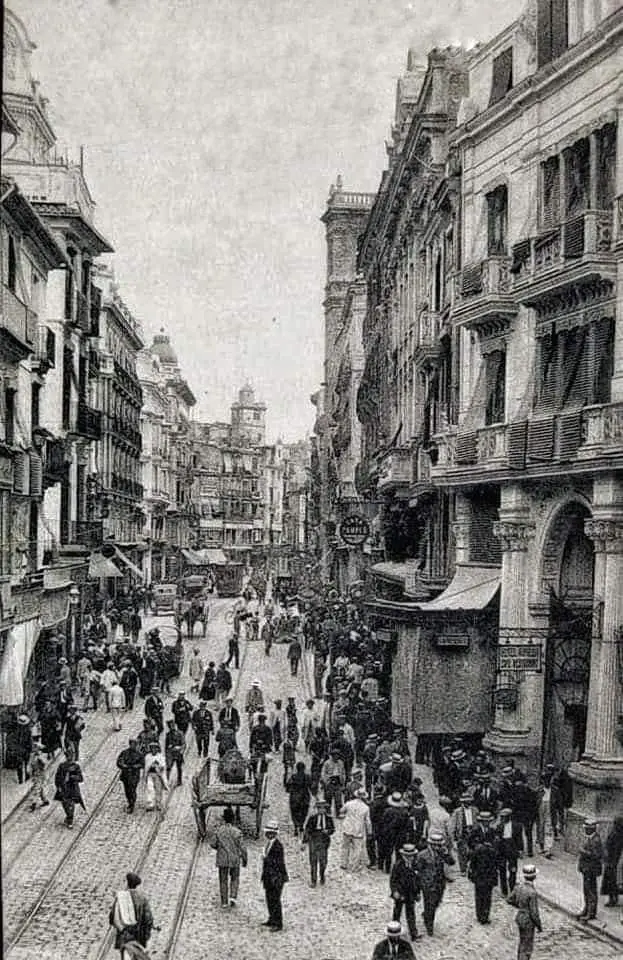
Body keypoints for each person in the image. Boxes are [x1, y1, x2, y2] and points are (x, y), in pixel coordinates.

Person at [415, 830, 453, 937]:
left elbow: (451, 862)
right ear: (430, 844)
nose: (437, 847)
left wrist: (446, 854)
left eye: (439, 845)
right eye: (435, 845)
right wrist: (419, 884)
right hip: (427, 884)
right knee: (430, 905)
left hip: (440, 883)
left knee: (436, 903)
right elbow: (418, 870)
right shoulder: (422, 855)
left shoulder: (442, 853)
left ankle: (426, 915)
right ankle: (429, 926)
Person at [109, 872, 154, 960]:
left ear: (128, 883)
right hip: (139, 937)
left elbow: (112, 918)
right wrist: (147, 936)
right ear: (137, 885)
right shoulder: (142, 898)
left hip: (125, 937)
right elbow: (148, 920)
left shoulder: (121, 898)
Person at [211, 806, 248, 908]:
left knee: (223, 880)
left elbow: (213, 844)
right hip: (234, 859)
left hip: (222, 859)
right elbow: (243, 848)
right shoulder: (237, 832)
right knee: (235, 878)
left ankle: (224, 902)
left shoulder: (219, 831)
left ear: (223, 819)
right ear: (233, 819)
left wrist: (220, 848)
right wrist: (245, 859)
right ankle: (233, 897)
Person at [468, 810, 498, 924]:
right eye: (484, 821)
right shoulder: (475, 831)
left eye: (488, 821)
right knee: (479, 892)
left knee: (488, 894)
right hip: (479, 866)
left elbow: (496, 847)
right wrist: (479, 847)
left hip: (490, 866)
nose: (486, 823)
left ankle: (486, 915)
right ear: (481, 821)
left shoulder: (492, 831)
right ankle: (480, 915)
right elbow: (470, 846)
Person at [507, 863, 542, 960]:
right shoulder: (532, 892)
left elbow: (509, 899)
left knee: (522, 941)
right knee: (527, 946)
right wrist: (539, 925)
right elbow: (534, 913)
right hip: (528, 921)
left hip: (520, 917)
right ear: (534, 877)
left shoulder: (518, 887)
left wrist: (519, 906)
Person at [390, 843, 422, 942]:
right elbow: (393, 880)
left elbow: (418, 880)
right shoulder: (398, 865)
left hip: (411, 893)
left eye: (412, 856)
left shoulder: (416, 865)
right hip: (400, 893)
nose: (410, 858)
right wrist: (395, 891)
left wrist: (417, 893)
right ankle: (394, 933)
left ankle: (414, 934)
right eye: (408, 856)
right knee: (397, 913)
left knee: (411, 913)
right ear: (403, 855)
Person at [260, 820, 289, 932]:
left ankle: (278, 923)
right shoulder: (270, 843)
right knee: (269, 899)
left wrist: (265, 858)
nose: (267, 834)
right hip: (269, 877)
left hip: (276, 877)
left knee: (275, 900)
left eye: (268, 832)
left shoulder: (278, 846)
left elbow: (278, 862)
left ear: (273, 833)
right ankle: (272, 919)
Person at [302, 798, 334, 887]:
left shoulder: (329, 819)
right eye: (319, 808)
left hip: (324, 841)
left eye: (323, 808)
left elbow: (333, 829)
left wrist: (328, 831)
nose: (321, 810)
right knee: (313, 860)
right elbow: (307, 830)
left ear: (325, 809)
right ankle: (313, 880)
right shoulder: (312, 818)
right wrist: (304, 842)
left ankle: (322, 875)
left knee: (323, 861)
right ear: (317, 809)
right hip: (313, 839)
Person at [577, 819, 603, 921]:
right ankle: (586, 908)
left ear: (591, 829)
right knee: (586, 889)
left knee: (591, 890)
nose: (585, 830)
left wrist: (584, 852)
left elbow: (597, 855)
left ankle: (591, 912)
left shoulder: (596, 840)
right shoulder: (588, 838)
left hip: (591, 869)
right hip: (586, 868)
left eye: (587, 829)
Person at [340, 787, 372, 872]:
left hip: (347, 827)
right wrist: (369, 832)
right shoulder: (366, 807)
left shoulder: (349, 803)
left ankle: (344, 863)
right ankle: (354, 866)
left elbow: (341, 811)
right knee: (357, 849)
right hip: (358, 830)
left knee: (345, 847)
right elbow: (368, 821)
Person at [54, 745, 85, 828]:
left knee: (71, 804)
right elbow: (57, 777)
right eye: (69, 756)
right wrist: (58, 786)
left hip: (72, 788)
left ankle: (70, 820)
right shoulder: (62, 766)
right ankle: (68, 816)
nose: (70, 758)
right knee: (65, 804)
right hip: (64, 788)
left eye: (71, 756)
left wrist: (72, 777)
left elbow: (81, 778)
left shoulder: (76, 767)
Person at [495, 807, 523, 897]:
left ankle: (512, 890)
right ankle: (504, 891)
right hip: (502, 851)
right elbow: (497, 840)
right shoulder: (499, 826)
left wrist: (520, 850)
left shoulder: (517, 826)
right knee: (502, 871)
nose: (503, 819)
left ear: (509, 817)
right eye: (502, 817)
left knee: (513, 871)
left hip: (512, 850)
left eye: (504, 817)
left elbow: (519, 839)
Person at [449, 792, 478, 874]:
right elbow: (453, 826)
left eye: (468, 801)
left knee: (473, 851)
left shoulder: (475, 810)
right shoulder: (457, 812)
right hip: (463, 833)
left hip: (473, 833)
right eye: (465, 801)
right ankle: (463, 869)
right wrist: (453, 840)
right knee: (462, 852)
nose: (467, 803)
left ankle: (472, 867)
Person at [117, 739, 144, 814]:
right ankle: (129, 801)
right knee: (127, 791)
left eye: (135, 744)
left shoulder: (139, 754)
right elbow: (119, 761)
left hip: (134, 775)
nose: (133, 746)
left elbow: (142, 764)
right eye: (132, 744)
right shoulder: (124, 752)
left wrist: (136, 766)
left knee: (132, 790)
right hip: (125, 775)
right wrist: (123, 765)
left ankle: (132, 804)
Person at [286, 760, 313, 837]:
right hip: (305, 797)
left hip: (294, 797)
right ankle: (301, 825)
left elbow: (287, 787)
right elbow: (311, 786)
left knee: (294, 812)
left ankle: (295, 826)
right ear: (304, 768)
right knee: (304, 812)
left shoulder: (293, 777)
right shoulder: (307, 777)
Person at [601, 816, 623, 907]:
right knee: (612, 881)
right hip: (613, 860)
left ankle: (613, 898)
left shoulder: (616, 834)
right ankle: (613, 897)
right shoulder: (617, 834)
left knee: (612, 881)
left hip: (613, 861)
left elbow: (610, 846)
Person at [320, 749, 346, 818]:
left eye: (338, 755)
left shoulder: (341, 763)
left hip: (338, 782)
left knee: (338, 799)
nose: (336, 757)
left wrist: (343, 782)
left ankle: (338, 813)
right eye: (335, 755)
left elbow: (343, 773)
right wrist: (326, 781)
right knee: (328, 798)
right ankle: (328, 813)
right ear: (332, 756)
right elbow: (323, 773)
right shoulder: (327, 763)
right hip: (330, 782)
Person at [144, 741, 168, 811]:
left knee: (158, 789)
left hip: (158, 775)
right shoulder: (148, 756)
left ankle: (158, 803)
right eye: (152, 748)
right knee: (150, 788)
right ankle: (150, 804)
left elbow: (163, 765)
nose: (153, 750)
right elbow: (146, 765)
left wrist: (158, 765)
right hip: (150, 774)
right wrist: (150, 766)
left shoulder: (160, 756)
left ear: (157, 749)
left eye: (155, 748)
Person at [28, 743, 49, 811]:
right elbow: (30, 764)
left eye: (35, 748)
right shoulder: (32, 755)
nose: (34, 749)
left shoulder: (42, 756)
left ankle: (33, 804)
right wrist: (29, 772)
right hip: (35, 775)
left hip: (40, 775)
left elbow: (44, 764)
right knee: (40, 788)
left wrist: (41, 759)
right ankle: (45, 801)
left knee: (36, 789)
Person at [165, 719, 186, 787]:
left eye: (172, 725)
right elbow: (166, 745)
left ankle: (179, 780)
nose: (171, 727)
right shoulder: (168, 735)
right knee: (168, 767)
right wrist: (167, 754)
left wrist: (180, 750)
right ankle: (166, 781)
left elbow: (183, 744)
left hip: (178, 753)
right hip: (171, 754)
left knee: (179, 767)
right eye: (170, 726)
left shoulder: (180, 733)